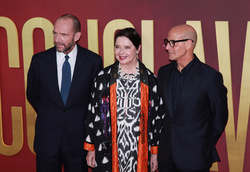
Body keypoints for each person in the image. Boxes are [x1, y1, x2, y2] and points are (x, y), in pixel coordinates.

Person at [26, 14, 103, 172]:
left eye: (63, 35)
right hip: (47, 140)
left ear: (77, 36)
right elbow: (32, 94)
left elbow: (95, 102)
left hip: (78, 140)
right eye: (55, 33)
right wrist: (51, 114)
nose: (57, 39)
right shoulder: (39, 61)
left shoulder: (93, 62)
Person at [84, 27, 166, 172]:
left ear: (138, 48)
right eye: (117, 47)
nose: (121, 53)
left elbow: (157, 120)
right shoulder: (103, 78)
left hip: (139, 149)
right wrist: (91, 148)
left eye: (127, 47)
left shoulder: (150, 80)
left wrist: (154, 153)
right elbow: (92, 114)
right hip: (107, 149)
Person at [157, 24, 228, 172]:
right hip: (166, 156)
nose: (167, 48)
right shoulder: (163, 73)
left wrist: (202, 142)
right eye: (167, 42)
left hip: (195, 157)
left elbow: (219, 117)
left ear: (189, 43)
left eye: (172, 43)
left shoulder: (210, 77)